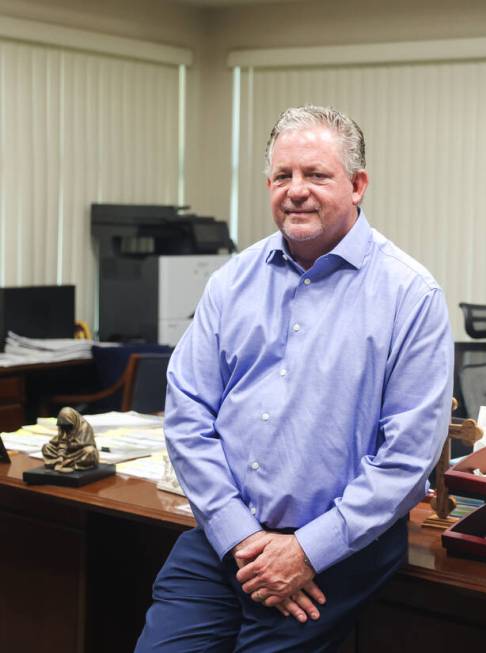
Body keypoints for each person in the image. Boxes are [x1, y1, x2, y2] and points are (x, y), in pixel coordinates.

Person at [135, 105, 454, 652]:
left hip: (341, 550)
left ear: (357, 185)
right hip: (226, 538)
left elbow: (407, 459)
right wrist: (242, 537)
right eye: (283, 176)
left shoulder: (410, 296)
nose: (296, 190)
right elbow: (188, 415)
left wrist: (304, 551)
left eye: (316, 174)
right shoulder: (231, 283)